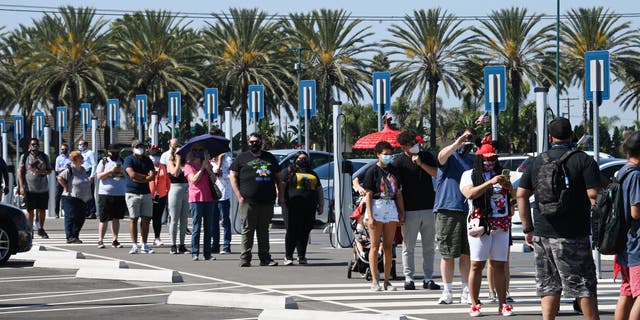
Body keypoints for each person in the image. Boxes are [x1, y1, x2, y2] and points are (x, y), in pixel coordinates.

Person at [517, 117, 601, 320]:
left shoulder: (538, 161)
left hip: (543, 233)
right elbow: (593, 196)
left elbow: (521, 194)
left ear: (550, 137)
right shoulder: (583, 160)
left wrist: (528, 229)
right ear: (572, 135)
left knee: (548, 284)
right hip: (573, 235)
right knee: (582, 284)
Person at [460, 138, 514, 317]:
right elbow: (469, 193)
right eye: (486, 159)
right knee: (477, 265)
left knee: (499, 264)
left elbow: (512, 196)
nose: (490, 162)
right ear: (478, 159)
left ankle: (503, 303)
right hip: (480, 223)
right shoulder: (469, 175)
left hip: (501, 223)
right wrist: (489, 183)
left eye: (492, 159)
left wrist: (507, 186)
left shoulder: (501, 174)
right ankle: (474, 304)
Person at [393, 129, 441, 291]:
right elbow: (396, 188)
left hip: (429, 206)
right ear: (404, 147)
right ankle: (409, 278)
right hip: (410, 209)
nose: (414, 146)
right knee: (409, 246)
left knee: (429, 246)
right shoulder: (398, 162)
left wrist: (421, 163)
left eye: (415, 143)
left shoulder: (427, 156)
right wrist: (401, 211)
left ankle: (428, 278)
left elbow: (436, 174)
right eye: (410, 145)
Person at [434, 128, 476, 305]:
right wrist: (456, 143)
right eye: (464, 138)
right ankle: (447, 290)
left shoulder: (474, 160)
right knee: (447, 254)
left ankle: (466, 289)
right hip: (447, 209)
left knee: (466, 254)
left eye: (470, 139)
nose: (466, 142)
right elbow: (440, 157)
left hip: (469, 211)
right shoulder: (450, 157)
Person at [230, 132, 282, 267]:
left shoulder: (269, 158)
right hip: (248, 200)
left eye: (257, 141)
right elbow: (232, 176)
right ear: (248, 143)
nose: (254, 144)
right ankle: (245, 258)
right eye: (252, 142)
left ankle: (265, 258)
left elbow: (279, 178)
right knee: (248, 229)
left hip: (267, 200)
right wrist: (239, 196)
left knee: (263, 230)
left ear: (261, 143)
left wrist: (280, 196)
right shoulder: (242, 158)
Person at [362, 141, 405, 291]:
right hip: (377, 206)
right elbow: (368, 194)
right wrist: (371, 216)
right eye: (385, 154)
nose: (388, 157)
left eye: (390, 154)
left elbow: (398, 193)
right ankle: (375, 281)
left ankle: (387, 280)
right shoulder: (372, 171)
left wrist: (402, 212)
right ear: (378, 155)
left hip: (391, 207)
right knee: (374, 246)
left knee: (388, 246)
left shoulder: (394, 171)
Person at [278, 151, 324, 265]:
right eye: (300, 158)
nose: (303, 161)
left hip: (309, 207)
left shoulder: (313, 173)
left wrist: (321, 204)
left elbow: (319, 189)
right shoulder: (289, 172)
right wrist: (281, 199)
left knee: (305, 231)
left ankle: (301, 255)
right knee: (292, 230)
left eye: (305, 159)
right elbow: (281, 185)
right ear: (296, 160)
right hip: (292, 206)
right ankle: (288, 256)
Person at [613, 131, 640, 320]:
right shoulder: (636, 175)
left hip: (623, 240)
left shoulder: (622, 171)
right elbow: (636, 211)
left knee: (627, 291)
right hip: (637, 241)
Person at [183, 142, 217, 261]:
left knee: (209, 227)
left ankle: (207, 253)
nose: (198, 151)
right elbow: (194, 180)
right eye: (195, 149)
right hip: (196, 199)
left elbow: (214, 180)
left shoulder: (208, 164)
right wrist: (202, 168)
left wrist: (209, 169)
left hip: (209, 198)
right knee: (197, 227)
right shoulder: (188, 166)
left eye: (200, 149)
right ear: (191, 152)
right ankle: (195, 252)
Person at [123, 140, 156, 254]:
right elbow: (132, 175)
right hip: (132, 192)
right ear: (132, 148)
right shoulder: (128, 159)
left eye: (142, 146)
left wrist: (142, 178)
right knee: (133, 219)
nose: (140, 148)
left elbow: (152, 176)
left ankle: (144, 244)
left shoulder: (147, 160)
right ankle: (134, 245)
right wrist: (146, 177)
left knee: (146, 219)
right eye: (137, 147)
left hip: (146, 193)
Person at [18, 137, 52, 239]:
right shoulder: (25, 156)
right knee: (30, 210)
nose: (35, 146)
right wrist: (21, 186)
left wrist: (41, 171)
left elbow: (49, 171)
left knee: (42, 210)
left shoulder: (44, 157)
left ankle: (41, 229)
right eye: (33, 144)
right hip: (29, 188)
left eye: (36, 144)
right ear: (29, 146)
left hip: (43, 188)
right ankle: (30, 230)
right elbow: (20, 171)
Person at [95, 144, 127, 249]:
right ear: (108, 152)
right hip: (105, 193)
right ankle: (100, 240)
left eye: (116, 151)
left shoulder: (122, 161)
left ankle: (115, 239)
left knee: (116, 218)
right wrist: (110, 171)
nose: (115, 153)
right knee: (103, 218)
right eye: (112, 151)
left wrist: (121, 171)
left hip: (119, 193)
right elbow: (99, 176)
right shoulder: (104, 161)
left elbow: (127, 175)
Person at [57, 150, 92, 244]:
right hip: (70, 197)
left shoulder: (83, 169)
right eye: (80, 157)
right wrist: (66, 186)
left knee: (81, 218)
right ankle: (69, 237)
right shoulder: (70, 169)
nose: (82, 159)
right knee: (71, 216)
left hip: (82, 198)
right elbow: (60, 178)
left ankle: (75, 235)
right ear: (75, 159)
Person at [167, 141, 190, 255]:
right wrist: (178, 160)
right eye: (178, 152)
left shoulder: (187, 163)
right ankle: (173, 244)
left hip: (186, 191)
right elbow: (175, 174)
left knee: (184, 220)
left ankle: (182, 245)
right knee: (174, 219)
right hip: (175, 190)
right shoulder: (170, 162)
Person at [211, 148, 233, 254]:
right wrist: (217, 164)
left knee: (225, 221)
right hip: (212, 194)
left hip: (224, 193)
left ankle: (226, 245)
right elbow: (212, 172)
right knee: (213, 221)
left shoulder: (228, 158)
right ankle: (215, 245)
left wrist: (220, 164)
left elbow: (231, 175)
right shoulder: (209, 158)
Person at [149, 145, 170, 247]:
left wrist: (168, 192)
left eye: (157, 156)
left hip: (161, 195)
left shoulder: (163, 167)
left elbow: (167, 181)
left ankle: (157, 237)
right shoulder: (146, 166)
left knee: (157, 217)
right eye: (153, 156)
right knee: (146, 217)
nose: (155, 158)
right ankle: (142, 238)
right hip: (148, 194)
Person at [78, 139, 97, 219]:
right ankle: (86, 212)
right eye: (79, 144)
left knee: (90, 193)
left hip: (88, 173)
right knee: (84, 194)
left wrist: (92, 176)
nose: (79, 146)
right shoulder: (81, 153)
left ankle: (92, 212)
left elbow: (94, 164)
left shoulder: (90, 153)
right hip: (82, 174)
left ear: (85, 145)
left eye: (81, 144)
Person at [54, 143, 71, 219]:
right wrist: (65, 168)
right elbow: (57, 169)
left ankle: (66, 211)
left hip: (68, 179)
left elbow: (71, 168)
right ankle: (57, 213)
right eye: (62, 149)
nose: (63, 150)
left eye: (65, 149)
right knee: (57, 196)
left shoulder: (70, 157)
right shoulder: (58, 158)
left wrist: (63, 168)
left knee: (67, 196)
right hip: (60, 179)